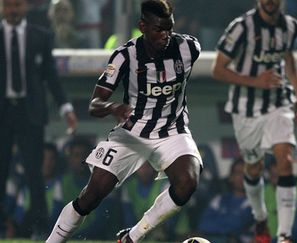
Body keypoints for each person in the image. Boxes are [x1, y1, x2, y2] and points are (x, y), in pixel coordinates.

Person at [45, 0, 203, 242]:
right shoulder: (124, 56)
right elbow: (94, 105)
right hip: (132, 132)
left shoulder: (189, 48)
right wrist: (113, 107)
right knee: (92, 195)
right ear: (143, 26)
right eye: (159, 29)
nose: (166, 35)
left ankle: (132, 237)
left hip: (173, 130)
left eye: (169, 28)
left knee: (187, 182)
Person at [212, 0, 297, 242]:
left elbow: (289, 58)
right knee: (254, 167)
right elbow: (218, 69)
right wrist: (256, 81)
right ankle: (260, 216)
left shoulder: (290, 27)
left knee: (284, 161)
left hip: (278, 102)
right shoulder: (241, 27)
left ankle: (285, 235)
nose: (270, 1)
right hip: (246, 109)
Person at [0, 0, 77, 237]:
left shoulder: (40, 36)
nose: (13, 10)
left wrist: (66, 107)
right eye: (8, 5)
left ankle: (39, 226)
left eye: (17, 5)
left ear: (25, 7)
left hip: (30, 112)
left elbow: (50, 75)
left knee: (35, 172)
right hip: (2, 112)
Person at [197, 158, 254, 243]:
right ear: (231, 177)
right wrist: (228, 223)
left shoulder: (253, 201)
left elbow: (238, 224)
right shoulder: (219, 199)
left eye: (246, 173)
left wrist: (219, 221)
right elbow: (204, 224)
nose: (242, 177)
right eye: (238, 173)